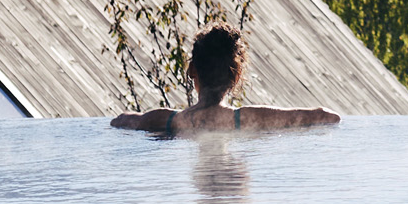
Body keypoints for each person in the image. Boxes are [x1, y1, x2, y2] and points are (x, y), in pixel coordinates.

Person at [113, 24, 341, 137]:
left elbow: (120, 120)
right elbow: (328, 117)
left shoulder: (168, 120)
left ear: (192, 70)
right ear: (237, 75)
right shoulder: (246, 119)